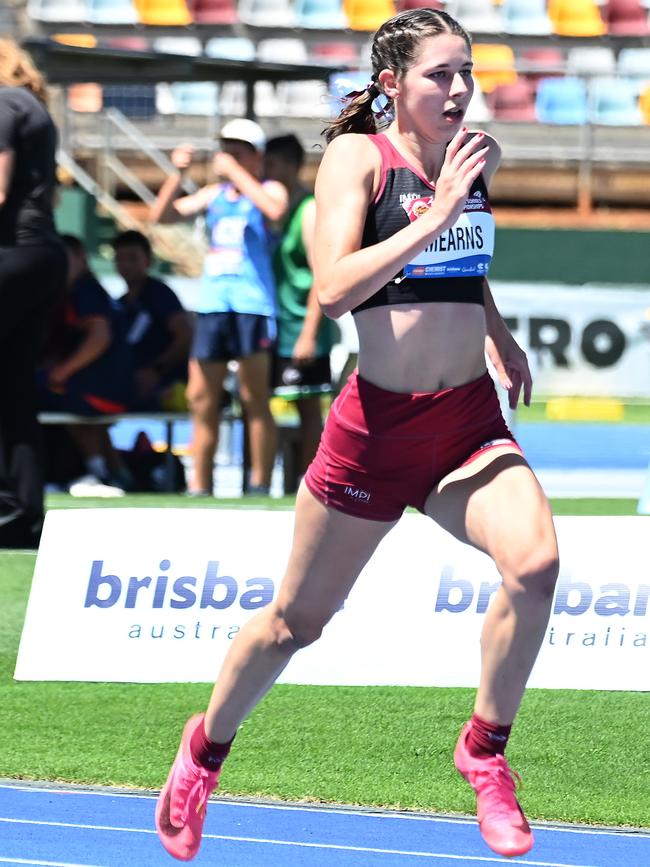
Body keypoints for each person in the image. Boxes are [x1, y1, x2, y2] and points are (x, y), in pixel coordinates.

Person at [154, 9, 559, 862]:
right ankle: (204, 752)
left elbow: (461, 261)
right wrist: (437, 209)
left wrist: (495, 327)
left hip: (466, 423)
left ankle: (485, 753)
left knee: (536, 565)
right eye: (439, 74)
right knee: (294, 623)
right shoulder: (355, 159)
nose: (459, 88)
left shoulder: (468, 157)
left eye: (466, 71)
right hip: (375, 432)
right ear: (391, 87)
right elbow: (335, 287)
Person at [150, 119, 288, 496]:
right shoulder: (213, 195)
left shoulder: (268, 189)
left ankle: (259, 482)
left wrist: (239, 175)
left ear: (255, 157)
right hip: (213, 304)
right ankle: (200, 482)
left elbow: (274, 211)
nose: (228, 157)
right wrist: (176, 174)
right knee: (201, 396)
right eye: (226, 149)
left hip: (252, 306)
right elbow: (163, 216)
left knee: (253, 396)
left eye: (238, 151)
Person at [0, 39, 67, 547]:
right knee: (15, 391)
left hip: (12, 255)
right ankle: (21, 515)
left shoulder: (2, 104)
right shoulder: (34, 108)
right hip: (43, 256)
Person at [264, 133, 337, 480]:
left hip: (302, 327)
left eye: (271, 164)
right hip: (275, 325)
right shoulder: (272, 209)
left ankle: (310, 482)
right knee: (265, 403)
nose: (265, 171)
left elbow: (321, 274)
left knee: (308, 408)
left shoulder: (308, 210)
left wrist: (308, 334)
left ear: (292, 167)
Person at [39, 234, 134, 492]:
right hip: (106, 383)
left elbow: (99, 336)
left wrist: (62, 371)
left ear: (81, 258)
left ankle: (93, 474)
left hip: (103, 385)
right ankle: (113, 473)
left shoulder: (85, 290)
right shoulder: (72, 292)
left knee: (63, 404)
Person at [112, 229, 192, 412]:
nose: (125, 264)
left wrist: (156, 370)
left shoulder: (161, 294)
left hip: (167, 388)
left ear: (147, 261)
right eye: (120, 258)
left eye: (132, 258)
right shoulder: (119, 303)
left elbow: (184, 336)